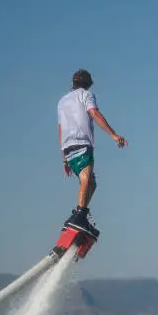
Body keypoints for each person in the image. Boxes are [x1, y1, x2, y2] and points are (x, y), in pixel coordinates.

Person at [58, 69, 127, 236]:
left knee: (92, 183)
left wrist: (64, 159)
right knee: (86, 179)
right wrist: (113, 135)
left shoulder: (62, 101)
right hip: (81, 142)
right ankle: (80, 215)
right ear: (88, 85)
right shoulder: (86, 95)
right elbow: (94, 113)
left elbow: (60, 128)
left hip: (68, 147)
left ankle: (79, 214)